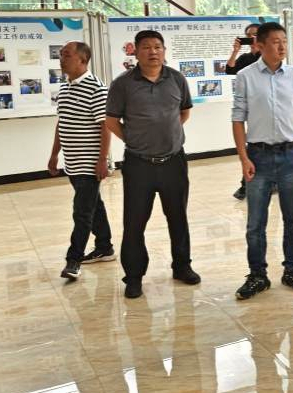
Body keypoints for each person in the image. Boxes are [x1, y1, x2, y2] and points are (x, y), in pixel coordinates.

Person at [106, 29, 199, 299]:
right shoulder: (123, 84)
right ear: (135, 52)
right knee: (134, 222)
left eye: (158, 46)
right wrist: (134, 139)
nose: (153, 51)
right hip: (139, 165)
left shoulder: (177, 79)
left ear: (164, 50)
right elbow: (111, 121)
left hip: (174, 162)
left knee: (178, 217)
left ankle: (182, 266)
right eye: (146, 47)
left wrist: (167, 134)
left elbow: (184, 112)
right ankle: (134, 277)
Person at [231, 22, 293, 300]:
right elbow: (238, 118)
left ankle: (292, 270)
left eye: (284, 41)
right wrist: (243, 157)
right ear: (259, 45)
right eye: (275, 41)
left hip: (291, 155)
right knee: (255, 223)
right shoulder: (245, 76)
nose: (281, 46)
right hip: (258, 156)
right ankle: (257, 275)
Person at [48, 41, 115, 281]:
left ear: (82, 60)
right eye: (61, 55)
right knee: (94, 206)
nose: (61, 59)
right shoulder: (65, 88)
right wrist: (54, 154)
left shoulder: (96, 88)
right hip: (72, 162)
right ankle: (105, 247)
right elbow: (62, 122)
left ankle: (73, 260)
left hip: (89, 163)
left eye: (66, 55)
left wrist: (102, 160)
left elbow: (105, 127)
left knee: (82, 213)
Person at [227, 22, 261, 200]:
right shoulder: (246, 58)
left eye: (255, 34)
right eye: (248, 35)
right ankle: (246, 184)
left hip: (266, 106)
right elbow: (229, 69)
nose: (252, 37)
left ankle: (256, 183)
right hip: (249, 106)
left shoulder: (267, 57)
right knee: (252, 144)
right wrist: (235, 51)